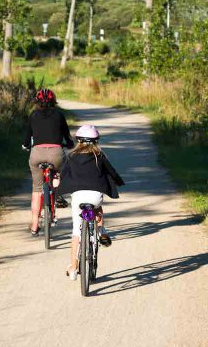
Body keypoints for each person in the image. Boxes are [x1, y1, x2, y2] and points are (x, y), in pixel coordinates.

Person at [57, 124, 125, 281]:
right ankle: (102, 233)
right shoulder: (99, 156)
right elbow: (112, 172)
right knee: (97, 209)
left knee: (76, 232)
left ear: (78, 141)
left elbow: (63, 173)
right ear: (96, 141)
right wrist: (118, 181)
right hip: (95, 196)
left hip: (79, 197)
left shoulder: (71, 156)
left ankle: (73, 268)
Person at [23, 88, 74, 236]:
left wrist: (25, 145)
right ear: (54, 101)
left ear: (37, 102)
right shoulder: (59, 115)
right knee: (58, 172)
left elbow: (27, 137)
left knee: (37, 189)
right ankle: (56, 194)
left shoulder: (33, 115)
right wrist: (70, 144)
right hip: (56, 153)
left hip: (37, 154)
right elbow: (66, 135)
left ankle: (34, 225)